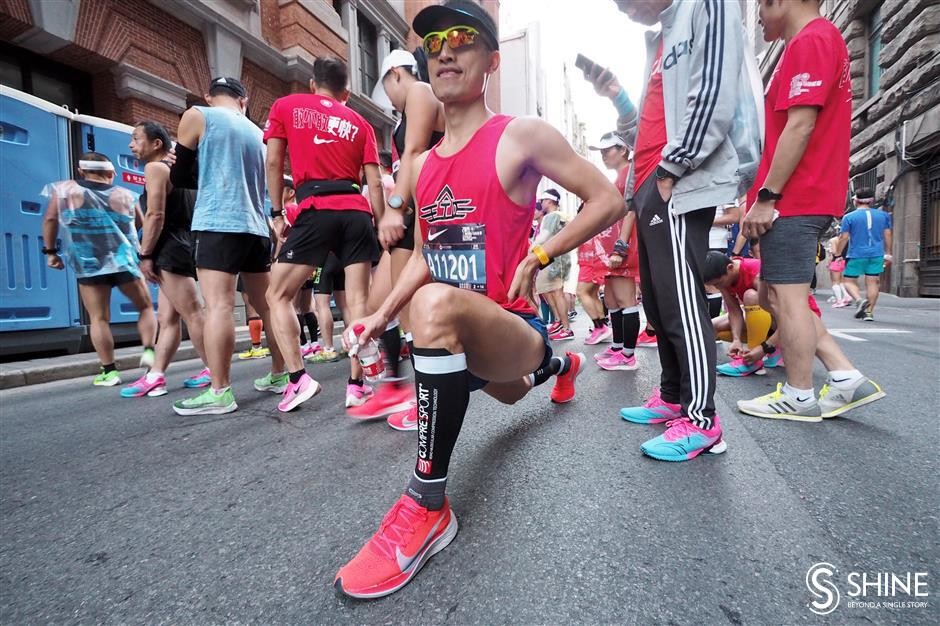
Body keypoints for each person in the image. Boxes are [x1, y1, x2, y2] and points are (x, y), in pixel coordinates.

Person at [333, 0, 624, 598]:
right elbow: (424, 256)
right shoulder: (422, 167)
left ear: (491, 61)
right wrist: (377, 316)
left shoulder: (519, 136)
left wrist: (540, 254)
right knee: (507, 387)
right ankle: (564, 366)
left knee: (433, 307)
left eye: (462, 38)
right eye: (433, 43)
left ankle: (427, 505)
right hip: (478, 344)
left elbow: (608, 200)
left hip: (513, 325)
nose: (444, 51)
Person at [592, 0, 751, 460]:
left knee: (681, 302)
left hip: (676, 182)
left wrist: (672, 168)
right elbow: (644, 128)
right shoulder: (661, 36)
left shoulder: (706, 6)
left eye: (627, 2)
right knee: (660, 304)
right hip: (650, 184)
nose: (625, 10)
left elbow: (715, 90)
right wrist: (618, 95)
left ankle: (702, 420)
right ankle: (672, 397)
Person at [739, 0, 884, 420]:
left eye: (761, 4)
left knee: (789, 299)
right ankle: (844, 375)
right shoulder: (811, 41)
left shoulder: (812, 39)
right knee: (773, 295)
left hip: (796, 196)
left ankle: (799, 395)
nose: (759, 14)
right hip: (798, 194)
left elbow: (800, 126)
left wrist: (767, 197)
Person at [263, 56, 385, 413]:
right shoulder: (360, 123)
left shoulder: (286, 106)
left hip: (315, 208)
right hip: (356, 211)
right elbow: (375, 181)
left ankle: (298, 379)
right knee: (358, 302)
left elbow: (274, 162)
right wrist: (380, 226)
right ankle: (357, 386)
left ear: (313, 84)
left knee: (278, 294)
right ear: (346, 93)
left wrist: (276, 212)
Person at [169, 77, 286, 415]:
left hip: (218, 221)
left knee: (219, 306)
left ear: (209, 97)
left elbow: (180, 177)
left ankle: (220, 391)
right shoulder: (258, 133)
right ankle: (281, 373)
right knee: (268, 307)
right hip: (255, 226)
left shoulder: (198, 115)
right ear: (243, 101)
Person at [368, 48, 448, 426]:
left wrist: (395, 207)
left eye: (386, 87)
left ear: (396, 74)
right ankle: (395, 387)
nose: (389, 97)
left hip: (422, 212)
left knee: (411, 312)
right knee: (378, 303)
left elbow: (415, 153)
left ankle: (427, 401)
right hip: (413, 212)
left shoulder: (420, 91)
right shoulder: (406, 110)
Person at [41, 152, 157, 386]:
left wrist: (51, 252)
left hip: (89, 263)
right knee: (145, 308)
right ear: (111, 172)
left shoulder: (64, 190)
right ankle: (149, 354)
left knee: (99, 318)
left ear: (81, 171)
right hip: (124, 260)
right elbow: (142, 224)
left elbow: (51, 219)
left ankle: (109, 371)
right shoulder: (126, 194)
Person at [121, 122, 210, 397]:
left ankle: (215, 370)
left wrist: (145, 254)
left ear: (157, 143)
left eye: (136, 138)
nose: (131, 145)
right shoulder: (180, 170)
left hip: (168, 247)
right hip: (183, 244)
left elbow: (155, 215)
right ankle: (156, 375)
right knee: (168, 318)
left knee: (193, 313)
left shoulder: (155, 169)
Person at [588, 131, 641, 371]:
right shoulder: (619, 175)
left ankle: (628, 355)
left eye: (607, 150)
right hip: (612, 247)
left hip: (623, 246)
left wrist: (621, 246)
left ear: (623, 150)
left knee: (625, 299)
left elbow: (631, 211)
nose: (603, 155)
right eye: (600, 151)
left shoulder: (629, 172)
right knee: (611, 300)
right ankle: (618, 347)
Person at [702, 251, 800, 377]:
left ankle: (754, 361)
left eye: (718, 283)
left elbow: (790, 317)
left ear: (730, 268)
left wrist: (764, 348)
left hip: (797, 324)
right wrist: (736, 340)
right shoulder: (725, 278)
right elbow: (734, 311)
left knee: (750, 296)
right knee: (712, 326)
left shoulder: (756, 273)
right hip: (772, 321)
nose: (717, 287)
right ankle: (773, 351)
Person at [836, 189, 893, 321]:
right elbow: (887, 234)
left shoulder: (849, 217)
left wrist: (837, 253)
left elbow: (844, 237)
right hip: (877, 253)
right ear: (872, 201)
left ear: (856, 200)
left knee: (848, 281)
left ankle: (859, 300)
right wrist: (888, 253)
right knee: (873, 282)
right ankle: (868, 312)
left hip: (856, 253)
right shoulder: (883, 215)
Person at [533, 189, 574, 341]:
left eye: (543, 200)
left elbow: (544, 237)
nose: (541, 203)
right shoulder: (556, 216)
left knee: (557, 292)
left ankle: (566, 328)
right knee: (548, 290)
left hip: (556, 259)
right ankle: (559, 322)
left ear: (549, 201)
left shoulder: (553, 216)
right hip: (551, 258)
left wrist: (531, 250)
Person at [826, 224, 850, 307]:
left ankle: (839, 300)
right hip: (843, 261)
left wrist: (829, 262)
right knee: (841, 281)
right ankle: (846, 296)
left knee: (835, 282)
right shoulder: (847, 240)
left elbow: (833, 252)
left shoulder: (833, 240)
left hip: (835, 261)